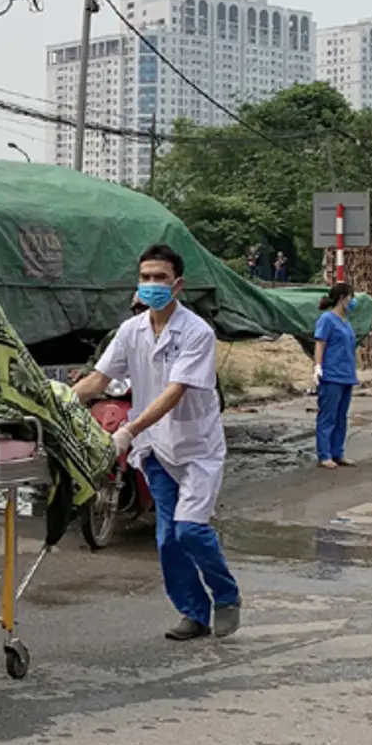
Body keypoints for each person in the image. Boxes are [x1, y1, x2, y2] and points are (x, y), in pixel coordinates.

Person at [75, 244, 241, 641]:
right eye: (145, 277)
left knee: (190, 530)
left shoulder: (197, 332)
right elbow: (99, 380)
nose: (151, 284)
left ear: (177, 284)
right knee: (167, 538)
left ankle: (226, 595)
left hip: (196, 445)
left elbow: (174, 391)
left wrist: (128, 431)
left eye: (160, 278)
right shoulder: (130, 331)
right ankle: (193, 613)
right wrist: (58, 403)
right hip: (155, 450)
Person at [312, 283, 360, 469]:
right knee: (328, 416)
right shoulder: (327, 319)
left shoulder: (346, 322)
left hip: (346, 375)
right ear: (342, 298)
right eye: (351, 296)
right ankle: (324, 454)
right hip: (332, 375)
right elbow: (320, 343)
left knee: (341, 416)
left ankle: (338, 452)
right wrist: (318, 366)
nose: (353, 301)